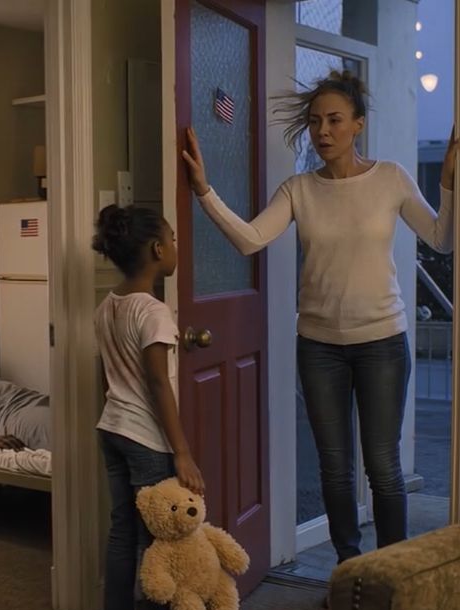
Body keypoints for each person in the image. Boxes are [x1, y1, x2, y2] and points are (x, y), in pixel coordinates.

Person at [183, 70, 459, 567]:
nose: (323, 131)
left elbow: (442, 239)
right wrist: (205, 191)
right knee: (335, 469)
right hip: (319, 347)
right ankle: (349, 570)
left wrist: (448, 182)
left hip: (382, 343)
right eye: (315, 122)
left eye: (334, 120)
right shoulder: (299, 189)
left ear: (358, 124)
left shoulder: (391, 178)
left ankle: (389, 576)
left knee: (383, 468)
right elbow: (249, 240)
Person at [92, 204, 205, 610]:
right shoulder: (154, 312)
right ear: (158, 249)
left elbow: (109, 375)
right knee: (162, 543)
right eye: (173, 239)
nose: (177, 246)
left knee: (123, 533)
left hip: (112, 428)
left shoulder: (108, 305)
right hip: (145, 440)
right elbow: (159, 384)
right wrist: (182, 452)